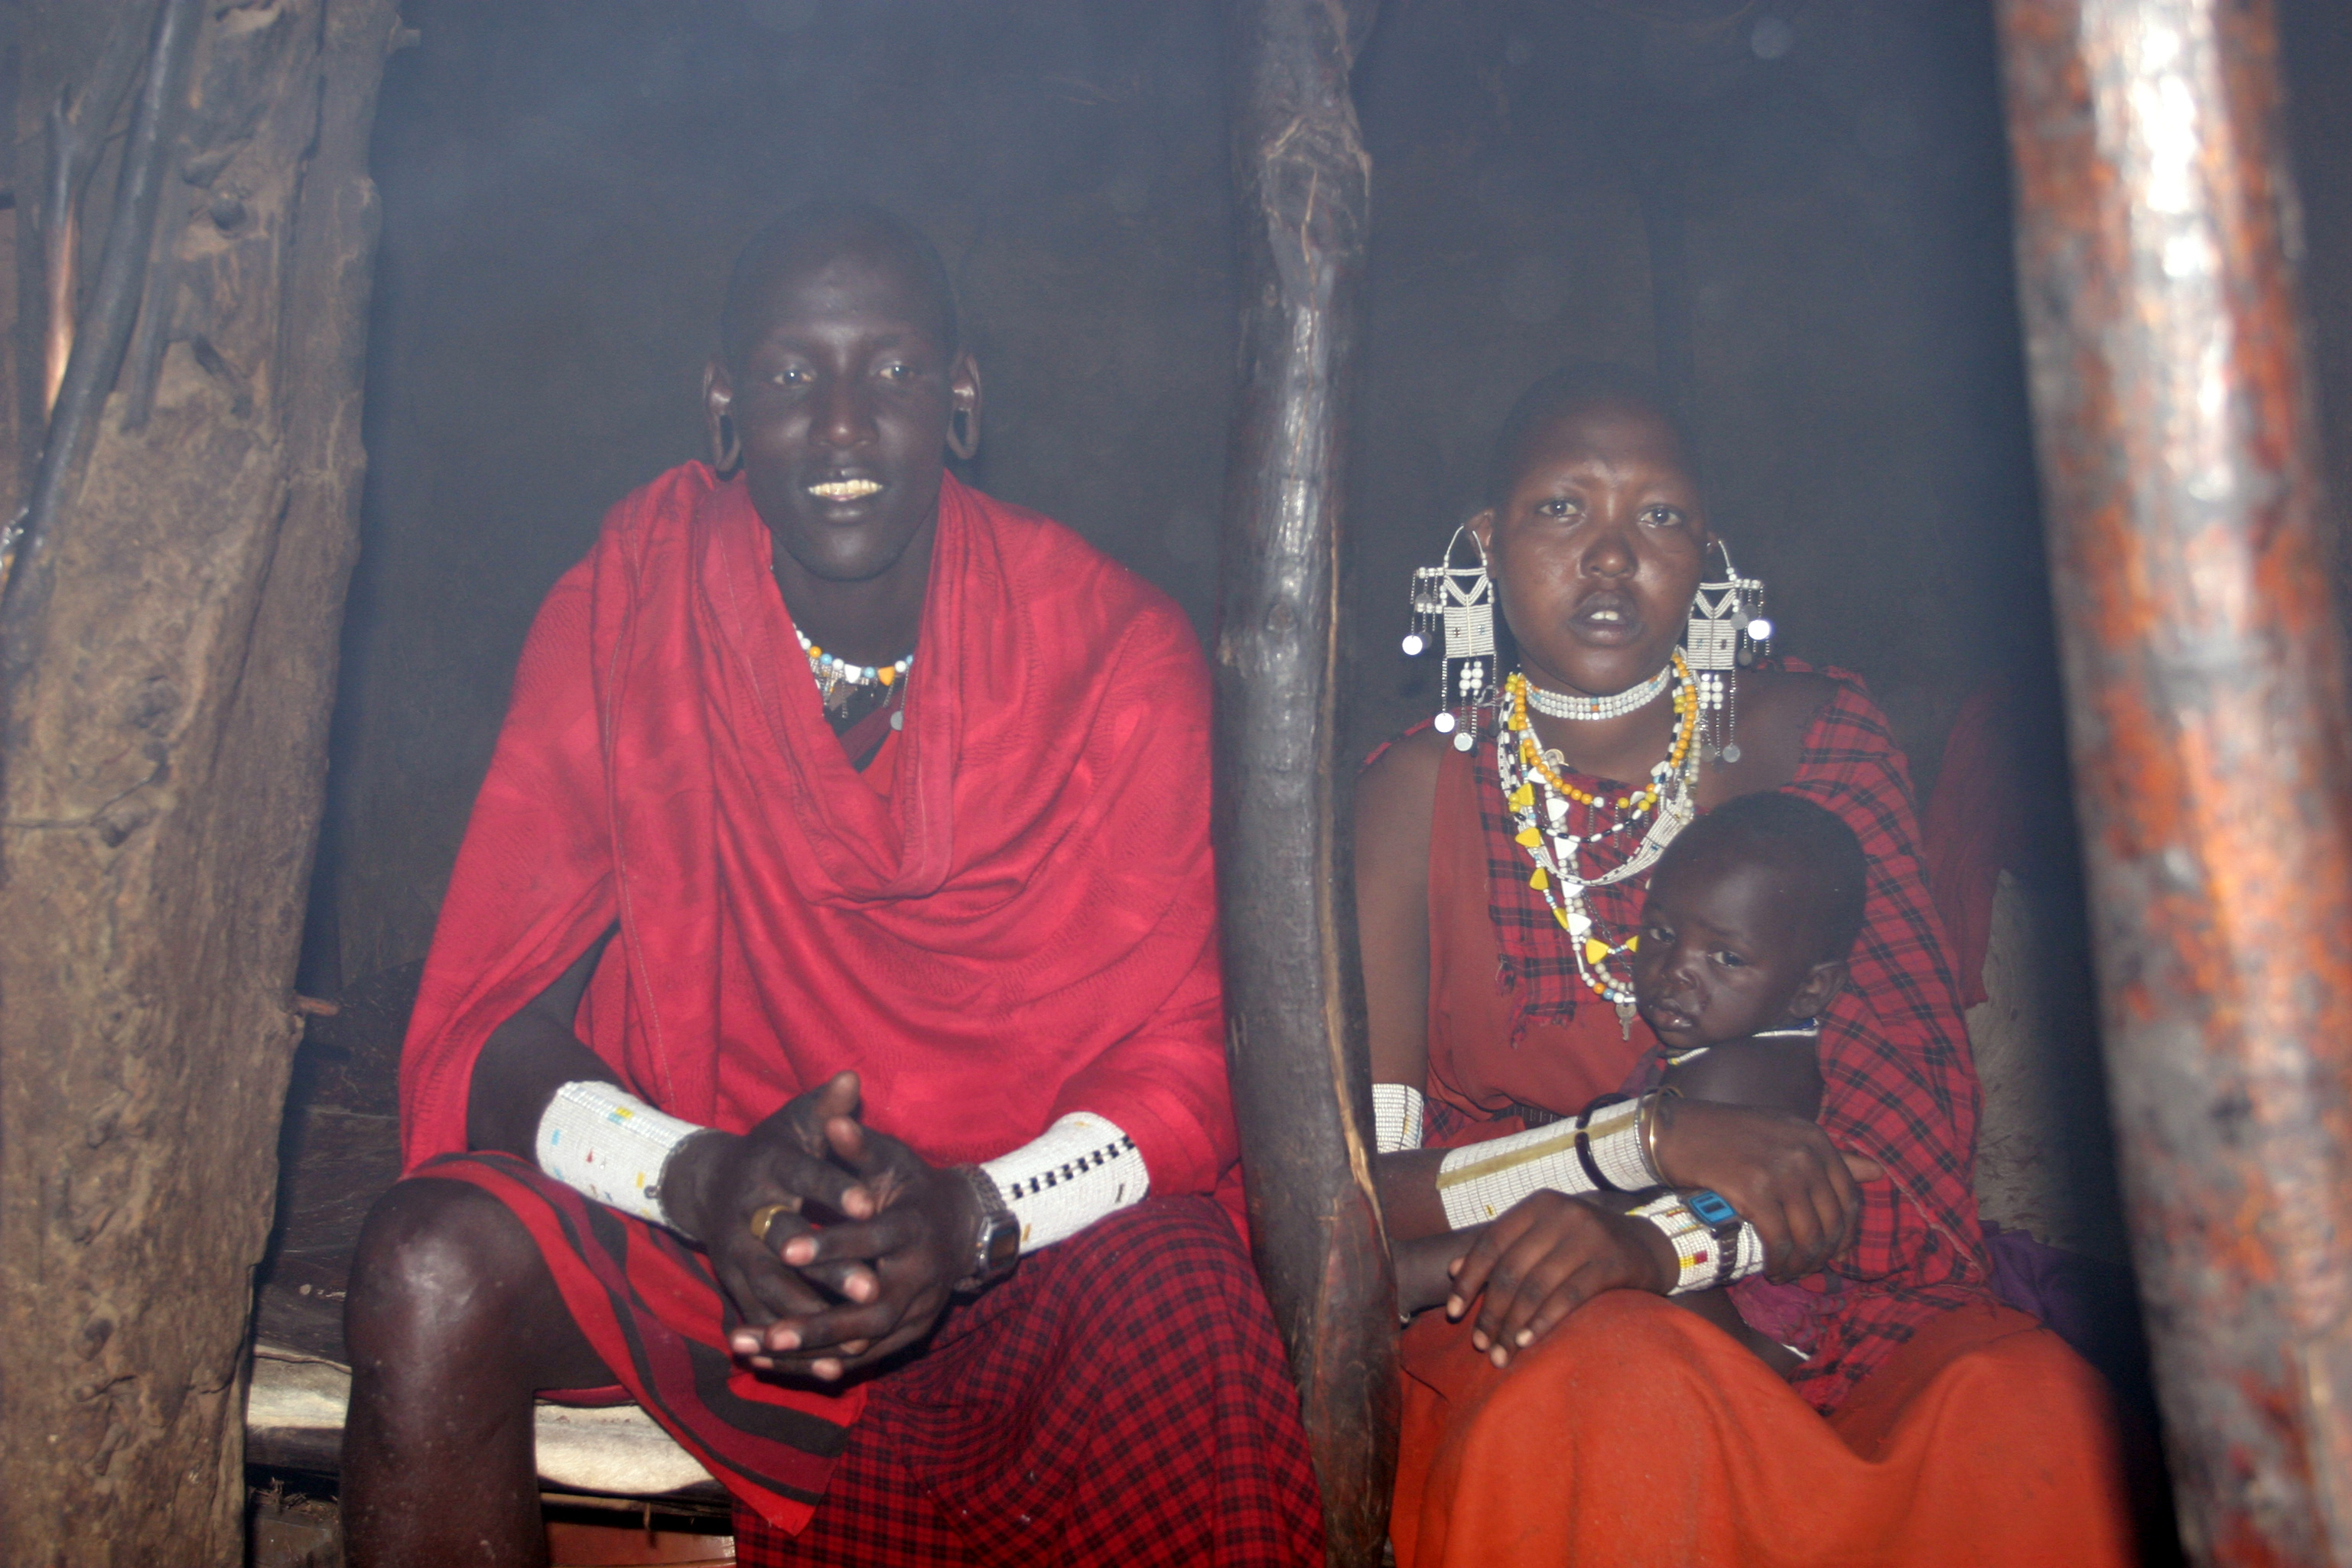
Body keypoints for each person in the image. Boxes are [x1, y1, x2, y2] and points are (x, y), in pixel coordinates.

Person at [339, 202, 1324, 1568]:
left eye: (895, 374)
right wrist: (696, 1178)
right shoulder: (633, 610)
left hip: (1026, 1249)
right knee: (430, 1264)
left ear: (961, 399)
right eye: (796, 377)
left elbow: (1188, 1071)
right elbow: (495, 1027)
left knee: (1188, 1310)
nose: (847, 424)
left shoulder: (1113, 656)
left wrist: (975, 1216)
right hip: (718, 1236)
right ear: (726, 403)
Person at [1358, 366, 2133, 1567]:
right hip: (1520, 1295)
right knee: (1622, 1391)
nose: (1611, 559)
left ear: (1705, 549)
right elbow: (1365, 1188)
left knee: (2027, 1405)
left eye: (1656, 516)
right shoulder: (1409, 796)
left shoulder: (1814, 739)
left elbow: (1899, 1126)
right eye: (1561, 511)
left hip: (1814, 1292)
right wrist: (1633, 1146)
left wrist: (1659, 1238)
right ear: (1482, 544)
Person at [1389, 789, 1872, 1375]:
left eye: (1726, 958)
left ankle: (1401, 1280)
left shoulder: (1746, 1069)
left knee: (1574, 1221)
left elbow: (1645, 1218)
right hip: (1708, 1294)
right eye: (1664, 935)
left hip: (1748, 1330)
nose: (1674, 972)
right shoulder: (1726, 1042)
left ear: (1811, 989)